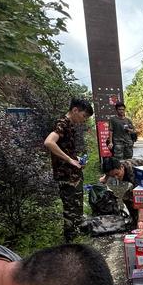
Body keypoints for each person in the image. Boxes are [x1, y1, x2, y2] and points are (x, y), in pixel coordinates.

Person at [44, 98, 93, 243]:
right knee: (70, 207)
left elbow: (65, 148)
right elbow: (49, 142)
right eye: (84, 116)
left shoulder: (70, 125)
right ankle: (70, 240)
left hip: (73, 173)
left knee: (76, 204)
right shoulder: (62, 123)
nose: (83, 120)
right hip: (65, 174)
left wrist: (76, 159)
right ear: (75, 110)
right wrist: (69, 160)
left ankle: (77, 232)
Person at [100, 157, 143, 230]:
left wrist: (141, 220)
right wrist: (105, 178)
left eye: (117, 174)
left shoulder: (132, 173)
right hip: (142, 183)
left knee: (133, 199)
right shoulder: (115, 166)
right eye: (113, 176)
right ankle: (134, 219)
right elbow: (109, 171)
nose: (116, 178)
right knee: (126, 197)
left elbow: (141, 197)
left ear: (122, 167)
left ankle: (140, 221)